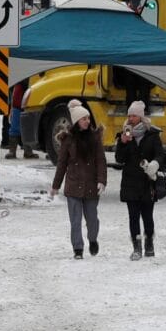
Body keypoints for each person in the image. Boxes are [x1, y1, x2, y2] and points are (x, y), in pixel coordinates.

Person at [50, 100, 107, 259]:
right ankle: (78, 249)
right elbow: (61, 164)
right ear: (76, 121)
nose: (88, 121)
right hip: (73, 186)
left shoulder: (95, 138)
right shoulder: (67, 139)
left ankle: (93, 239)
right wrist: (55, 186)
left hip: (91, 186)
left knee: (92, 220)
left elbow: (101, 160)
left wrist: (101, 180)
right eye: (84, 119)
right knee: (75, 221)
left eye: (88, 118)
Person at [115, 100, 164, 260]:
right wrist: (122, 143)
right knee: (133, 217)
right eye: (129, 115)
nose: (130, 118)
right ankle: (136, 247)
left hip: (146, 182)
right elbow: (119, 159)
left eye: (134, 115)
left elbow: (160, 155)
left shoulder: (152, 134)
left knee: (148, 217)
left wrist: (154, 164)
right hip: (130, 182)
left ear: (141, 117)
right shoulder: (124, 134)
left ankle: (149, 241)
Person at [6, 79, 38, 159]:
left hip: (25, 102)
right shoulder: (24, 75)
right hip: (19, 102)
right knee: (16, 128)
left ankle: (27, 151)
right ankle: (14, 151)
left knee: (27, 128)